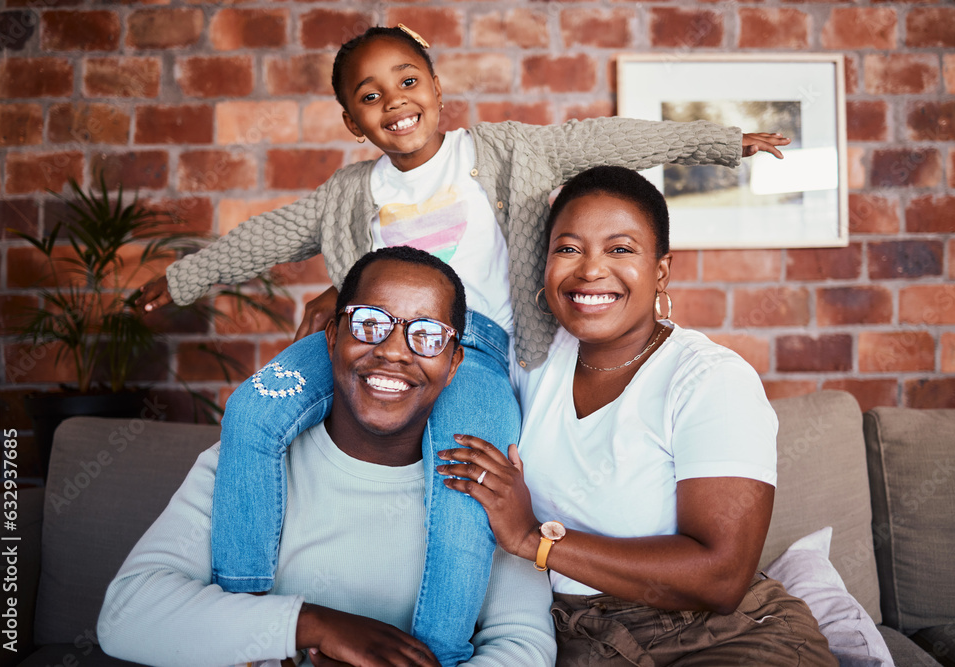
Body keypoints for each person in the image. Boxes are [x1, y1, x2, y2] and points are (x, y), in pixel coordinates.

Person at [136, 24, 790, 665]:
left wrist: (720, 142)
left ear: (438, 88)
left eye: (407, 79)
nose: (392, 100)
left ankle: (436, 651)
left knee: (463, 482)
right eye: (369, 95)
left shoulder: (501, 153)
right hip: (371, 329)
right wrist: (180, 278)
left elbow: (602, 139)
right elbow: (268, 236)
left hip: (473, 345)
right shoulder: (349, 192)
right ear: (350, 121)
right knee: (251, 408)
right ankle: (245, 614)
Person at [438, 166, 837, 665]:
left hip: (717, 637)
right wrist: (340, 292)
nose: (590, 270)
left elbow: (721, 577)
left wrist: (532, 539)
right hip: (569, 634)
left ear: (661, 271)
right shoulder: (530, 360)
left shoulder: (709, 379)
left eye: (620, 249)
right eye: (568, 248)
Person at [98, 246, 557, 667]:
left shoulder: (482, 485)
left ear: (454, 362)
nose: (394, 352)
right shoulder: (247, 462)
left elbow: (524, 644)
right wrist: (315, 625)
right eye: (369, 323)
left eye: (427, 335)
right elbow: (127, 615)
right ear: (333, 335)